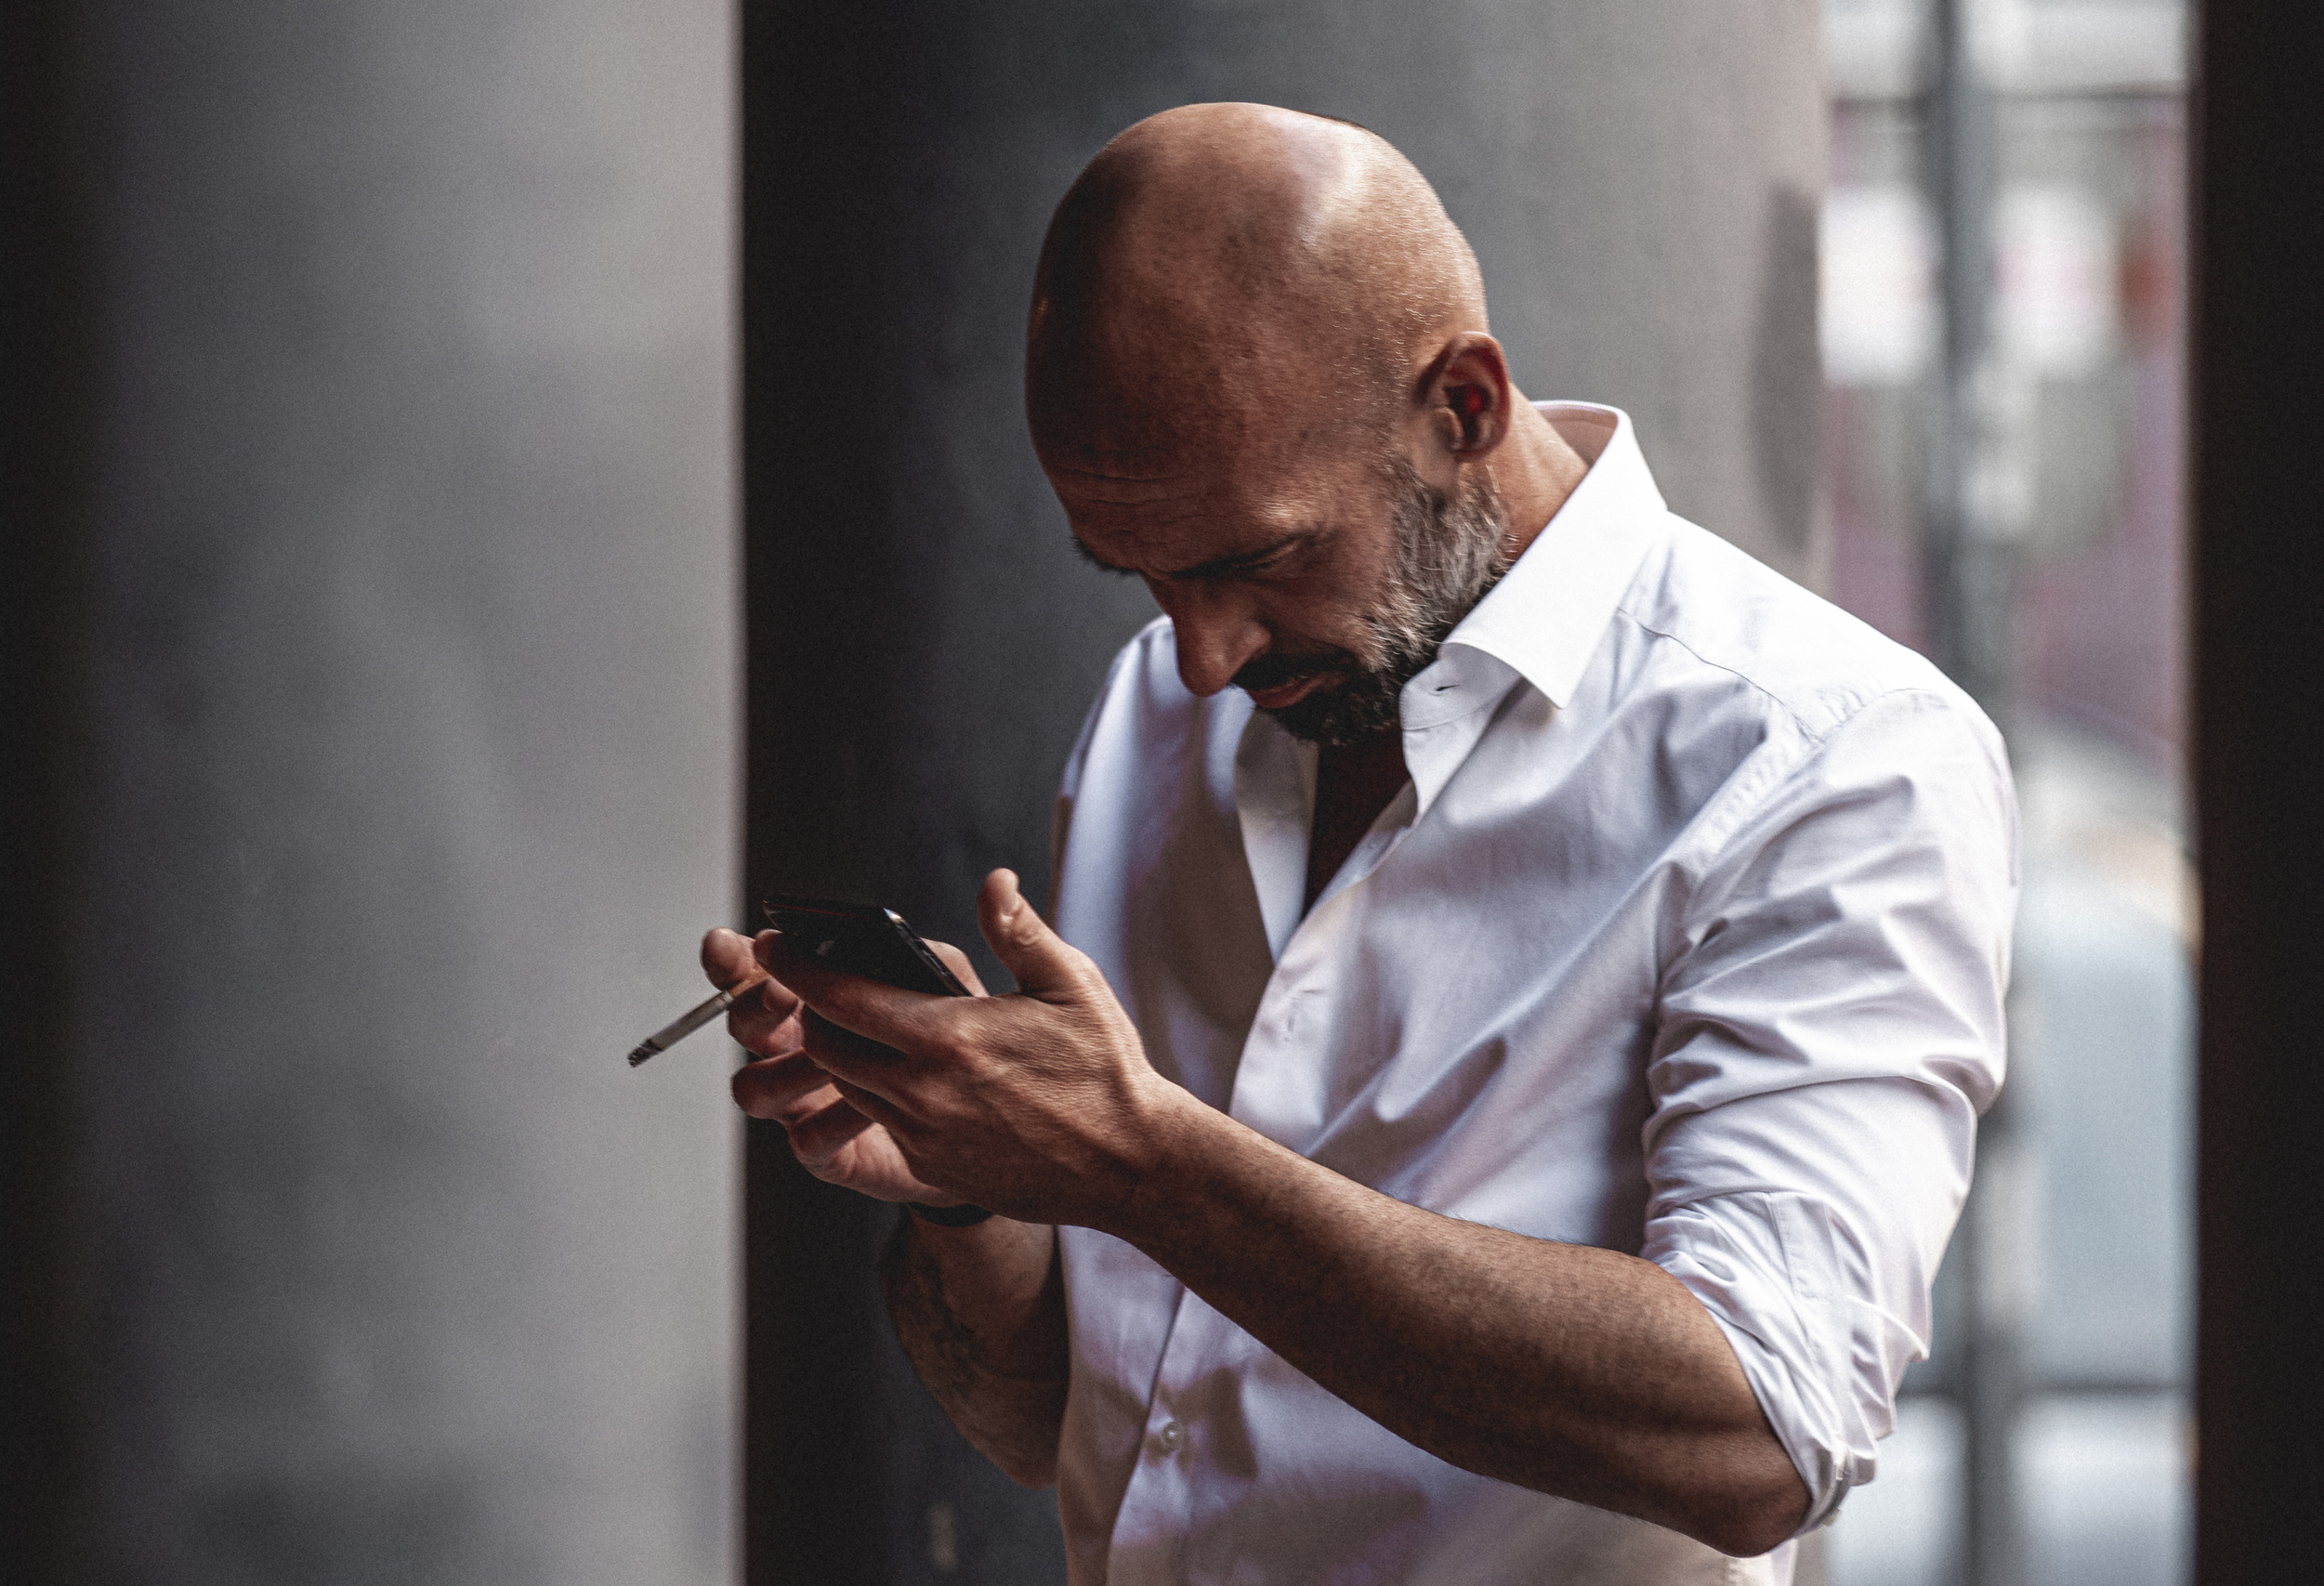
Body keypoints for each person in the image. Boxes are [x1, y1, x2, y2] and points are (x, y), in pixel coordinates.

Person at [706, 103, 2013, 1586]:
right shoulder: (1158, 707)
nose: (1199, 658)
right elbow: (1086, 1432)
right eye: (1139, 577)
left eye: (1254, 560)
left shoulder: (1828, 753)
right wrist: (980, 1176)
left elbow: (1764, 1431)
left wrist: (1136, 1160)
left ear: (1462, 404)